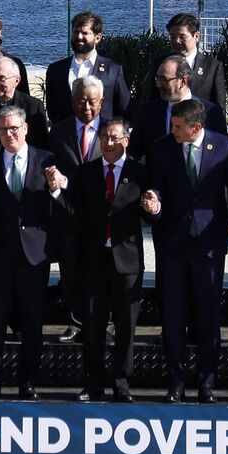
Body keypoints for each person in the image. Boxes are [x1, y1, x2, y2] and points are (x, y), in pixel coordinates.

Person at [140, 99, 228, 402]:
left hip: (208, 244)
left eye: (178, 127)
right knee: (173, 316)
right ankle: (176, 382)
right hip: (173, 243)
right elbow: (156, 185)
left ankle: (207, 383)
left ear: (196, 127)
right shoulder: (163, 146)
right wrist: (153, 199)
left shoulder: (224, 146)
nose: (172, 130)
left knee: (208, 316)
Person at [0, 104, 66, 400]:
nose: (9, 134)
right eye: (3, 129)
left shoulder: (46, 161)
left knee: (32, 321)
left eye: (14, 128)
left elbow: (60, 208)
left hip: (33, 255)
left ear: (25, 128)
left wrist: (56, 189)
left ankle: (28, 381)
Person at [66, 117, 146, 402]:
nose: (108, 143)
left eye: (114, 138)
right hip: (94, 259)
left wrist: (154, 207)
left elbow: (150, 213)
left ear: (126, 140)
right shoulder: (86, 173)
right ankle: (93, 382)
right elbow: (73, 211)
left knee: (126, 325)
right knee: (93, 325)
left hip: (127, 261)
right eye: (104, 138)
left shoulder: (139, 172)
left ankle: (122, 382)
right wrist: (56, 190)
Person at [48, 77, 108, 343]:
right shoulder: (59, 131)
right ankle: (74, 321)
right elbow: (51, 162)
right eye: (81, 100)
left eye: (92, 101)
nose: (86, 106)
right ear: (72, 101)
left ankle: (102, 323)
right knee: (70, 271)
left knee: (101, 273)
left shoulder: (111, 130)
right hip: (67, 211)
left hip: (100, 213)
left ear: (102, 103)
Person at [128, 56, 228, 161]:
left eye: (164, 80)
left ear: (183, 81)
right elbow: (134, 149)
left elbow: (222, 151)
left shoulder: (211, 112)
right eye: (157, 79)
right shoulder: (148, 111)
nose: (158, 85)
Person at [43, 11, 130, 126]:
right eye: (76, 32)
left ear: (97, 38)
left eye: (84, 33)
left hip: (101, 138)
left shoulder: (113, 70)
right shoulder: (56, 70)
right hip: (67, 139)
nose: (79, 37)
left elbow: (123, 107)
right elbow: (52, 109)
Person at [155, 13, 228, 118]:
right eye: (172, 36)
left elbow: (219, 107)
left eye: (182, 36)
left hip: (200, 128)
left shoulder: (212, 66)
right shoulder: (161, 64)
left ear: (197, 36)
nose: (176, 41)